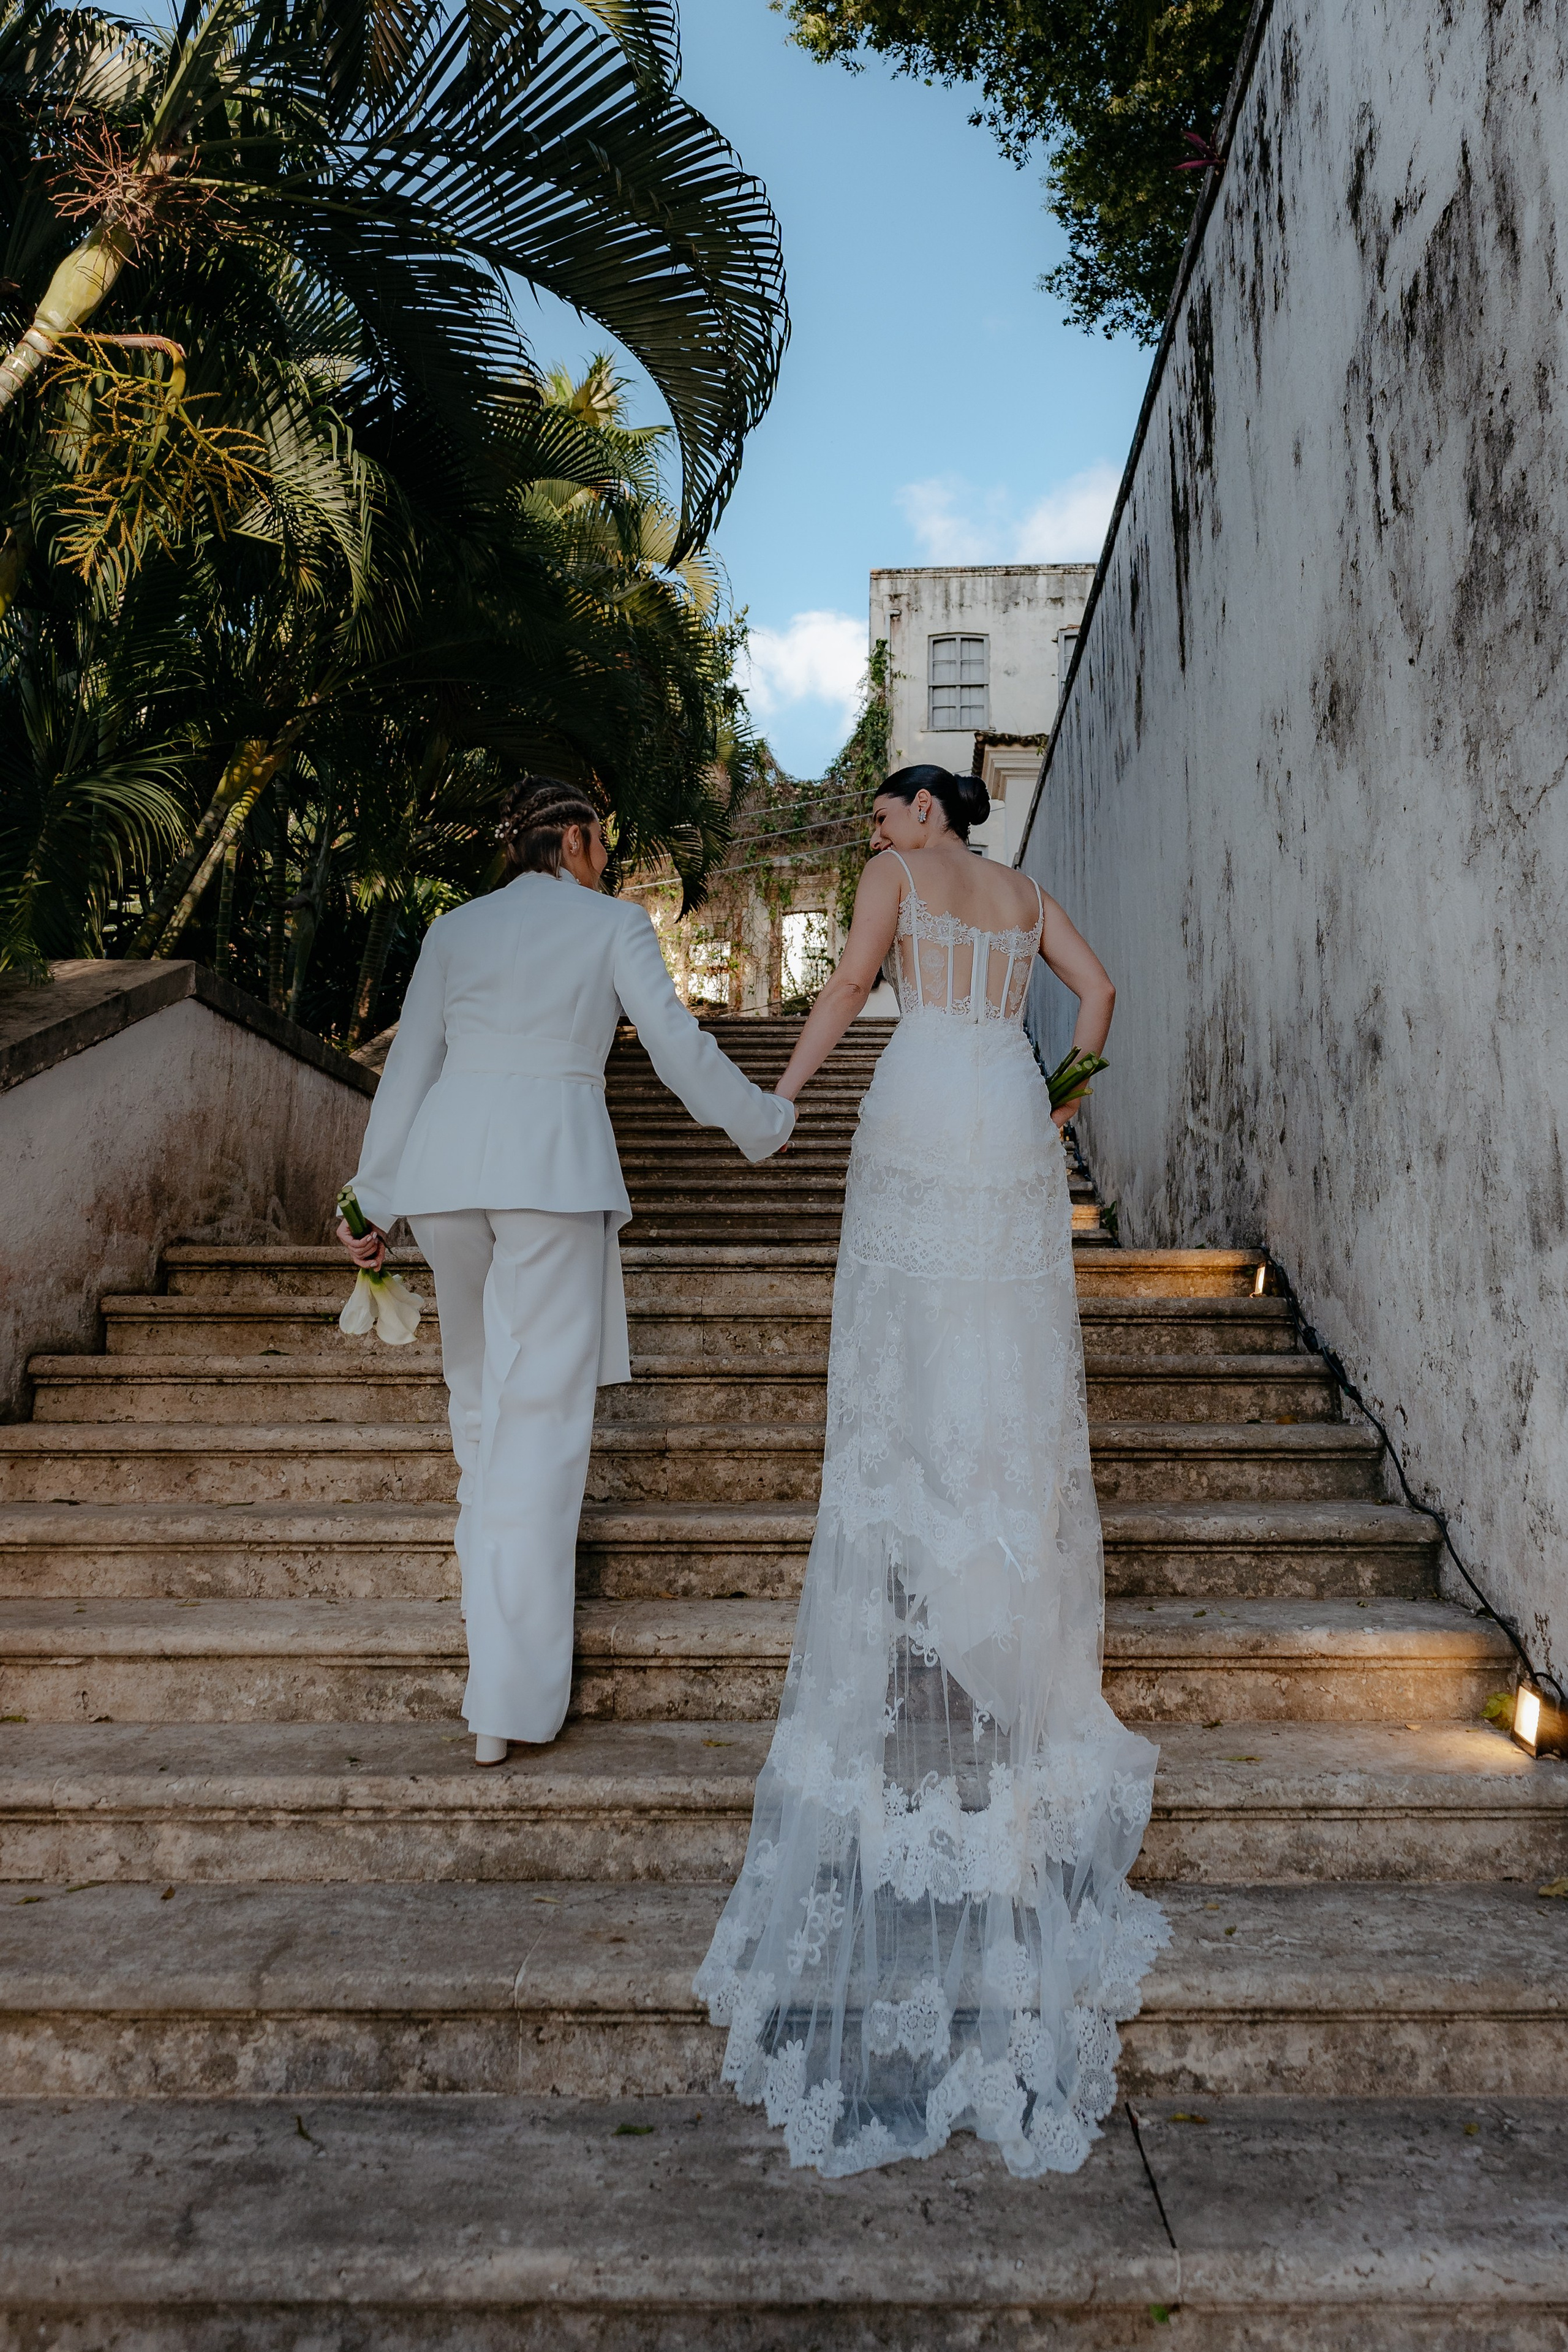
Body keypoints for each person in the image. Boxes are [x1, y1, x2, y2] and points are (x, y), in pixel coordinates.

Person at [695, 763, 1168, 2179]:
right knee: (1003, 1372)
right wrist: (1061, 1108)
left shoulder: (897, 884)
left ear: (922, 817)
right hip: (1007, 1110)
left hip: (916, 1108)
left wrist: (771, 1101)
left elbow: (844, 992)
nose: (877, 832)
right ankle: (1008, 1623)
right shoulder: (1020, 894)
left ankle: (941, 1574)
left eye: (888, 813)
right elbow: (1098, 995)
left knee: (911, 1363)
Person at [336, 776, 794, 1767]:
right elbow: (675, 1047)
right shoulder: (612, 925)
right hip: (551, 1170)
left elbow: (410, 1065)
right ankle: (505, 1698)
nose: (607, 861)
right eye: (604, 843)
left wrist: (371, 1203)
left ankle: (493, 1678)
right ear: (577, 838)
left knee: (479, 1412)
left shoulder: (454, 928)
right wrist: (764, 1122)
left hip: (447, 1175)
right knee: (538, 1426)